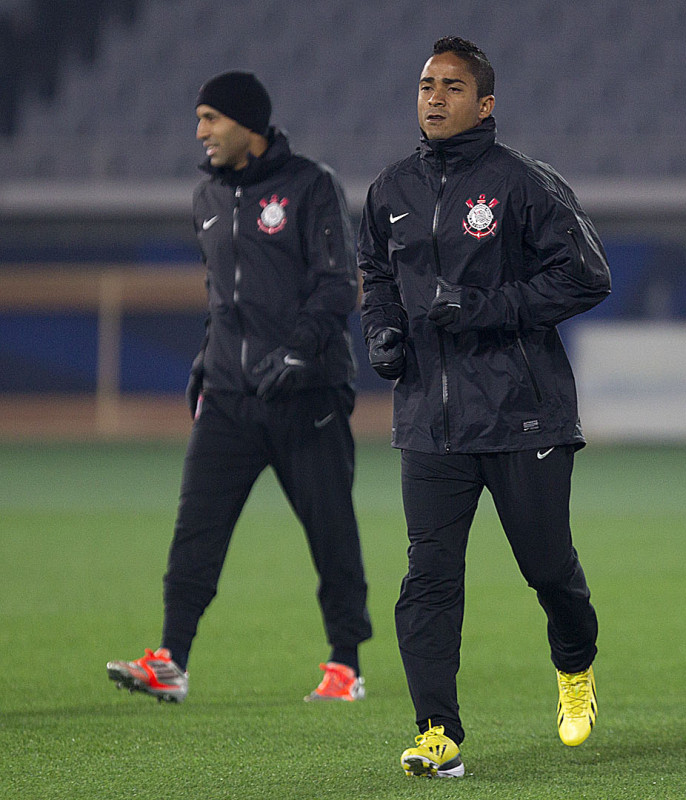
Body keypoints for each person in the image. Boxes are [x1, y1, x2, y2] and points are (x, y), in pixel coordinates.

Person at [357, 36, 610, 778]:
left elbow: (587, 277)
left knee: (547, 566)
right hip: (429, 424)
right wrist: (381, 331)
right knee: (427, 576)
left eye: (453, 86)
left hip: (521, 413)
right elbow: (375, 273)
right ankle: (437, 731)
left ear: (485, 104)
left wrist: (481, 306)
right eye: (427, 84)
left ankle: (575, 665)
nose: (434, 97)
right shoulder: (390, 190)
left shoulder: (523, 184)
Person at [106, 70, 372, 704]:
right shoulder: (206, 199)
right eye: (199, 120)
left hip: (306, 395)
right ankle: (171, 659)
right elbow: (223, 298)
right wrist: (206, 358)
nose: (200, 133)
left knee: (330, 530)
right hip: (229, 396)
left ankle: (345, 665)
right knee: (196, 527)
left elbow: (339, 284)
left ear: (248, 125)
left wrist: (299, 353)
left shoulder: (311, 186)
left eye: (210, 119)